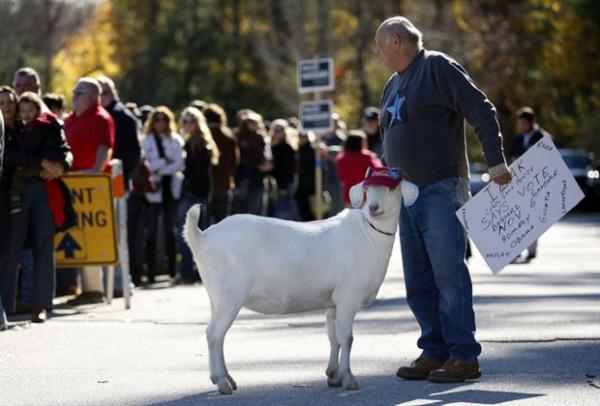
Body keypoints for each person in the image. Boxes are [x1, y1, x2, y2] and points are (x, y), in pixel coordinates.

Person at [375, 16, 511, 383]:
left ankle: (464, 356)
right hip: (406, 193)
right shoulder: (392, 84)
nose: (378, 53)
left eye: (381, 45)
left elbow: (482, 110)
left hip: (440, 187)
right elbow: (387, 139)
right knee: (418, 279)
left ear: (399, 41)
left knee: (447, 272)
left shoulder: (437, 67)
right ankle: (433, 351)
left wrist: (496, 161)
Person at [0, 89, 71, 323]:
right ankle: (4, 306)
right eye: (3, 104)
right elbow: (9, 157)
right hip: (14, 194)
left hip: (43, 190)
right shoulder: (12, 131)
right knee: (12, 247)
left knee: (43, 245)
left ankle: (40, 305)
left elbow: (66, 151)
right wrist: (42, 162)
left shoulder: (38, 125)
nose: (8, 108)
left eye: (11, 103)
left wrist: (61, 167)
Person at [64, 77, 115, 305]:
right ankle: (81, 287)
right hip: (72, 182)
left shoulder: (101, 118)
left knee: (92, 235)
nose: (74, 96)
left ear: (94, 96)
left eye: (79, 92)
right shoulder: (72, 118)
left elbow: (105, 147)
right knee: (78, 233)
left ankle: (94, 289)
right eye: (74, 91)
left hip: (91, 183)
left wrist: (94, 173)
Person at [141, 106, 184, 282]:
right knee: (151, 230)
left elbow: (179, 164)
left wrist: (160, 167)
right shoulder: (146, 140)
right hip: (153, 190)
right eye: (157, 119)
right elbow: (147, 165)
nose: (160, 123)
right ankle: (151, 271)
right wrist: (163, 162)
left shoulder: (175, 140)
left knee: (170, 229)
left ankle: (172, 269)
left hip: (171, 189)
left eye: (163, 119)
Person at [176, 106, 219, 283]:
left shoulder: (198, 143)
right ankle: (196, 272)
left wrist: (187, 184)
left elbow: (200, 173)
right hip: (198, 193)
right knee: (197, 236)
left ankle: (188, 272)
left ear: (197, 123)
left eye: (190, 121)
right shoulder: (194, 141)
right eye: (184, 120)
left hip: (195, 195)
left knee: (189, 234)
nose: (186, 124)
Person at [509, 106, 550, 261]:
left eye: (524, 123)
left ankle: (531, 250)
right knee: (519, 217)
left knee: (533, 217)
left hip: (537, 183)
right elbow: (511, 155)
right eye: (520, 123)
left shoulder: (542, 137)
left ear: (532, 121)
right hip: (519, 184)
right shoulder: (517, 138)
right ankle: (517, 248)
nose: (522, 126)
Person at [204, 103, 238, 223]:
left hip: (205, 185)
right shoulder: (229, 138)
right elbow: (234, 163)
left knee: (205, 224)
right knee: (222, 223)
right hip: (224, 183)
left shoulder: (203, 138)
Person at [334, 130, 382, 207]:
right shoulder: (367, 156)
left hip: (349, 196)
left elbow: (341, 178)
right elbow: (378, 172)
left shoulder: (341, 158)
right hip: (367, 195)